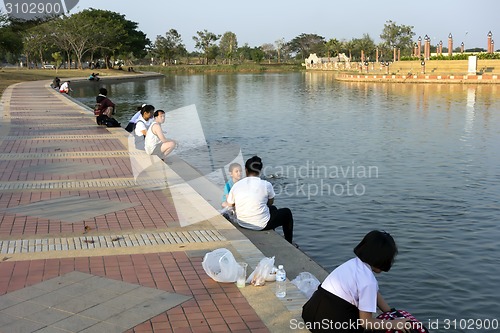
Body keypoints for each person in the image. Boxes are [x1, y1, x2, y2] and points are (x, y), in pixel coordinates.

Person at [301, 230, 414, 333]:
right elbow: (366, 322)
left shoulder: (353, 264)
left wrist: (391, 312)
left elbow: (373, 293)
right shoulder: (368, 280)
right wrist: (394, 323)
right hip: (330, 325)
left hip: (311, 313)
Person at [226, 156, 294, 244]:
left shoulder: (236, 185)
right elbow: (270, 202)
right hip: (260, 225)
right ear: (260, 171)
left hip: (242, 223)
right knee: (287, 213)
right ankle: (289, 242)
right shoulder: (266, 184)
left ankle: (272, 231)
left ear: (246, 170)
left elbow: (230, 204)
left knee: (273, 209)